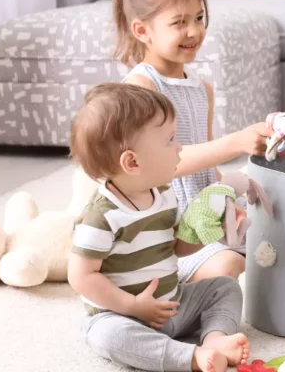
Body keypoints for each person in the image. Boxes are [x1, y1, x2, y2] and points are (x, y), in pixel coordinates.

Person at [68, 83, 250, 371]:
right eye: (170, 141)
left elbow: (178, 247)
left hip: (172, 303)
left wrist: (210, 228)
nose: (179, 148)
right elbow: (81, 277)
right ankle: (188, 357)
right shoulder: (102, 216)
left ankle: (215, 339)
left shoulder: (164, 194)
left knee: (226, 288)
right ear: (132, 162)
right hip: (122, 315)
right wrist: (132, 306)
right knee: (105, 336)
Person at [112, 0, 271, 283]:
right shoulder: (141, 88)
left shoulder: (202, 90)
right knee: (231, 267)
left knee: (277, 237)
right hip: (168, 231)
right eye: (179, 22)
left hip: (204, 213)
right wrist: (235, 142)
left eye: (199, 18)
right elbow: (159, 166)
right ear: (142, 30)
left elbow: (205, 170)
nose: (194, 31)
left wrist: (227, 198)